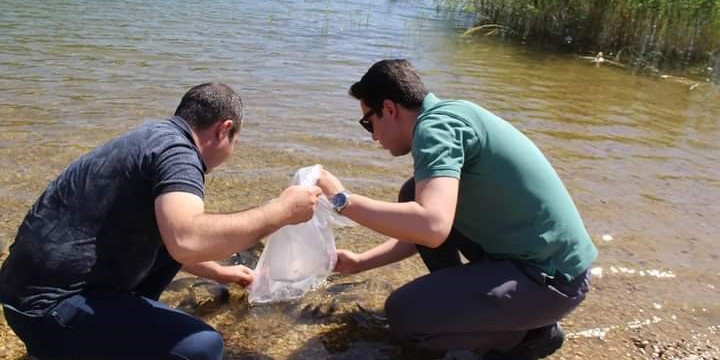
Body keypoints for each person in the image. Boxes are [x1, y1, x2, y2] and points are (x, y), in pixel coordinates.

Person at [0, 83, 322, 360]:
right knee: (204, 347)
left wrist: (221, 272)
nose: (232, 151)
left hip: (21, 303)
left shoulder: (151, 138)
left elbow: (172, 242)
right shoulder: (179, 154)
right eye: (235, 141)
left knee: (161, 241)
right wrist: (281, 210)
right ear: (224, 129)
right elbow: (187, 239)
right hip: (48, 315)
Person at [317, 59, 598, 359]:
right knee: (414, 192)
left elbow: (432, 226)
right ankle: (472, 310)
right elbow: (425, 229)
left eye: (368, 123)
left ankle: (526, 336)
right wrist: (359, 262)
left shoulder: (434, 129)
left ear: (389, 108)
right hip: (545, 268)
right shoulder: (451, 114)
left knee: (403, 315)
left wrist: (342, 200)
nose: (373, 136)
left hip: (551, 281)